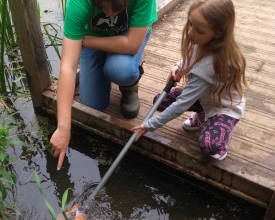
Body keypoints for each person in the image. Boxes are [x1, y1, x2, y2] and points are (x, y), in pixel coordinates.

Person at [132, 0, 249, 160]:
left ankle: (223, 133)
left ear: (218, 33)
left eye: (199, 30)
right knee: (160, 100)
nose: (190, 32)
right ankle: (203, 114)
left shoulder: (209, 67)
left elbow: (181, 104)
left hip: (224, 106)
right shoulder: (204, 41)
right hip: (205, 97)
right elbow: (191, 58)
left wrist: (149, 126)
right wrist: (178, 66)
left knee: (209, 147)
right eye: (190, 24)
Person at [50, 0, 158, 170]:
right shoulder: (78, 3)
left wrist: (85, 42)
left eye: (116, 9)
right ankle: (105, 65)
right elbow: (68, 67)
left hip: (126, 35)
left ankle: (129, 86)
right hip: (94, 35)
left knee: (121, 70)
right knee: (92, 104)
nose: (108, 14)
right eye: (102, 7)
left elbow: (131, 44)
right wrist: (63, 127)